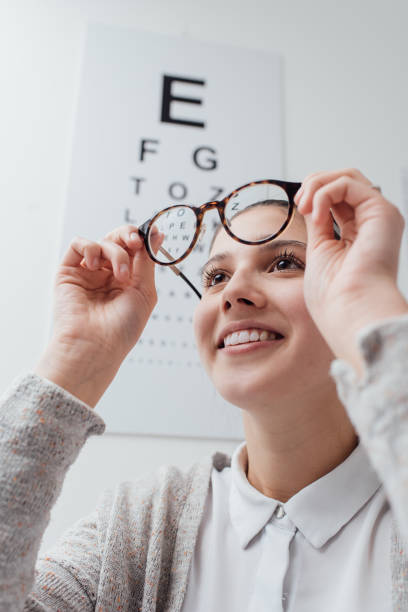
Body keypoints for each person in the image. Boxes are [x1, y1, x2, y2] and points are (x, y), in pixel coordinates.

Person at [1, 168, 408, 611]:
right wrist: (77, 357)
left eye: (285, 263)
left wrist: (370, 306)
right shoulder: (140, 525)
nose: (233, 294)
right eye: (216, 277)